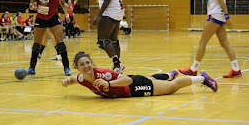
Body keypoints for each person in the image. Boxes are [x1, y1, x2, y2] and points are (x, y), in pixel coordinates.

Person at [62, 52, 218, 98]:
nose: (86, 66)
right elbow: (73, 79)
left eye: (88, 63)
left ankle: (203, 78)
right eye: (82, 64)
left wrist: (108, 84)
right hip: (132, 87)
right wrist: (67, 81)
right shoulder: (82, 78)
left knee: (171, 88)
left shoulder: (104, 75)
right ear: (77, 68)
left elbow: (127, 79)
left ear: (91, 63)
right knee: (154, 81)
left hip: (133, 87)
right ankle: (168, 74)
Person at [179, 0, 241, 78]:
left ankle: (193, 69)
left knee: (202, 42)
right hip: (218, 16)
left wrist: (227, 18)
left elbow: (222, 1)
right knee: (224, 43)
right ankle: (236, 69)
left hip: (215, 16)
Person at [28, 0, 71, 76]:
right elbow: (31, 3)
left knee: (60, 43)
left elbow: (62, 3)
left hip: (53, 18)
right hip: (41, 18)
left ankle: (66, 68)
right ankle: (32, 68)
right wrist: (33, 6)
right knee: (37, 44)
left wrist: (68, 7)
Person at [92, 0, 125, 73]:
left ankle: (117, 64)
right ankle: (118, 66)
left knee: (102, 40)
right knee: (113, 40)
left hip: (110, 11)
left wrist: (98, 15)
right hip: (117, 11)